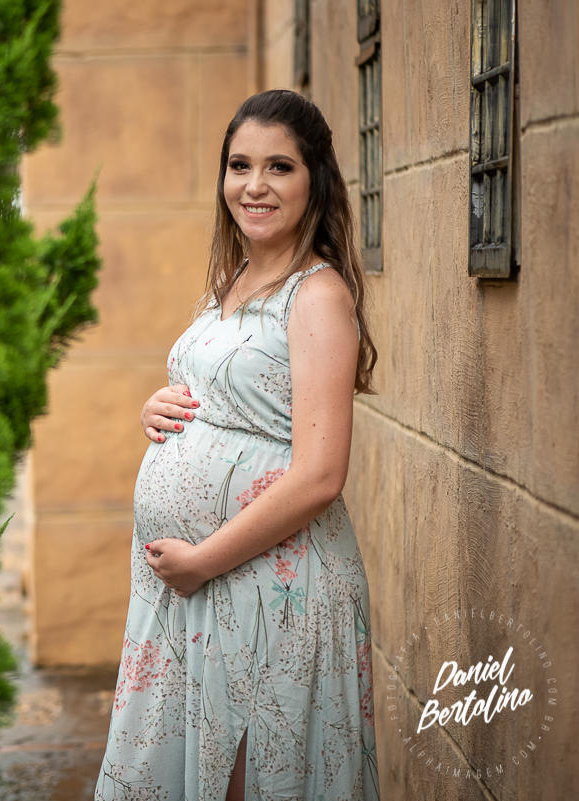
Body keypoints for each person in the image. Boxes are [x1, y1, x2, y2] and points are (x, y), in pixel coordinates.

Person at [93, 89, 380, 801]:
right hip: (206, 589)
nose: (254, 185)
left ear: (314, 180)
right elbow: (233, 398)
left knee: (252, 781)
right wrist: (159, 407)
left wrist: (202, 561)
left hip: (270, 589)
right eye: (239, 165)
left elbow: (321, 475)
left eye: (279, 166)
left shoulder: (317, 296)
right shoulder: (235, 280)